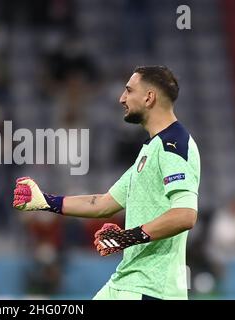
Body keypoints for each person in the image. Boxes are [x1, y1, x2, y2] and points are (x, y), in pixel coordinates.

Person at [13, 66, 201, 300]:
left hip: (152, 288)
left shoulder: (174, 145)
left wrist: (127, 237)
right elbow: (102, 204)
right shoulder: (152, 148)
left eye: (129, 91)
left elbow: (185, 215)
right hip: (127, 281)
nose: (122, 98)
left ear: (149, 97)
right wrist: (45, 202)